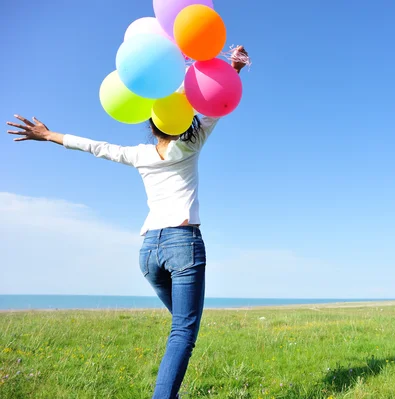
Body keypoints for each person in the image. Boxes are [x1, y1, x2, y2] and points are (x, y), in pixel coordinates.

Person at [6, 46, 249, 399]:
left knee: (182, 326)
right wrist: (234, 68)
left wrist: (49, 135)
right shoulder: (191, 145)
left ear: (153, 124)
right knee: (183, 332)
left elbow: (95, 146)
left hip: (149, 251)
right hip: (183, 244)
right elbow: (214, 105)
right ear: (183, 119)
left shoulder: (140, 154)